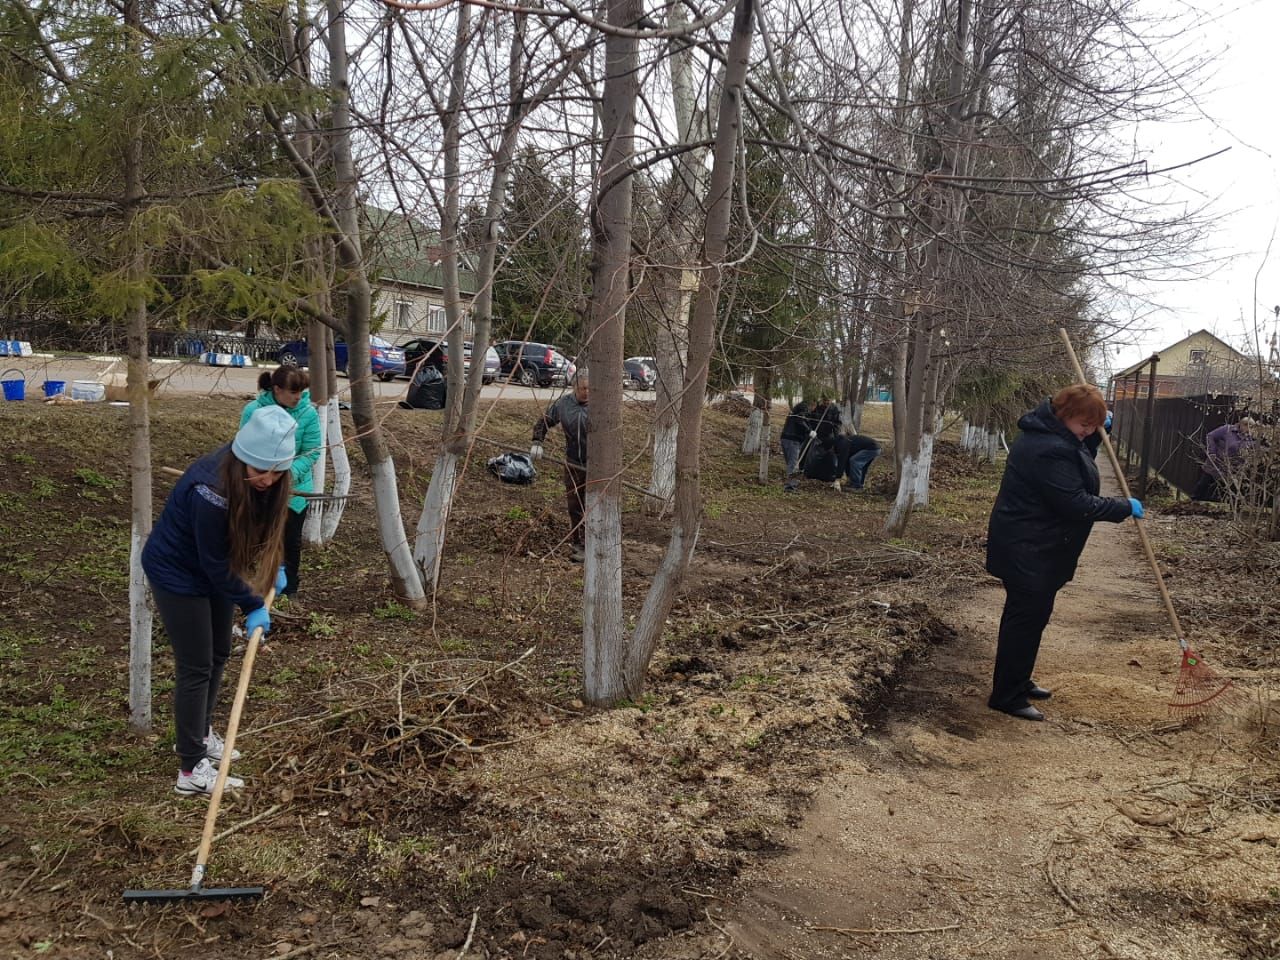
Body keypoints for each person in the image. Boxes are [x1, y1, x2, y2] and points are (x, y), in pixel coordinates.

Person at [142, 406, 296, 795]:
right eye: (262, 470)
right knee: (195, 665)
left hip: (212, 570)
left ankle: (199, 732)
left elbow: (260, 528)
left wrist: (272, 563)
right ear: (243, 456)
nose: (268, 480)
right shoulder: (211, 491)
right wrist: (252, 602)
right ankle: (191, 770)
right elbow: (213, 565)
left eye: (277, 472)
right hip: (177, 573)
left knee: (219, 653)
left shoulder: (261, 479)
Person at [984, 384, 1141, 721]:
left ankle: (1018, 681)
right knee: (1024, 621)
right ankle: (1006, 696)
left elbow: (1076, 461)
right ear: (1063, 415)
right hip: (1028, 548)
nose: (1087, 432)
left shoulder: (1057, 438)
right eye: (1084, 425)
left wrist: (1095, 437)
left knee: (1031, 619)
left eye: (1094, 425)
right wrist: (1122, 507)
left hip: (1037, 547)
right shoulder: (1046, 448)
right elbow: (1073, 502)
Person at [240, 365, 322, 598]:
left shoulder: (308, 413)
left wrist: (285, 476)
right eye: (293, 392)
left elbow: (312, 451)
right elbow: (243, 448)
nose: (298, 397)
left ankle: (289, 592)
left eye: (301, 392)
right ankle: (250, 587)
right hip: (257, 487)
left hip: (294, 490)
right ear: (276, 389)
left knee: (289, 541)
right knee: (256, 537)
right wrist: (262, 477)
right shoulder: (254, 410)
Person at [531, 370, 590, 562]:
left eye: (590, 388)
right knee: (575, 504)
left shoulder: (601, 405)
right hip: (573, 461)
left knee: (592, 503)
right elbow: (544, 421)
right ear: (574, 387)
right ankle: (578, 543)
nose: (587, 392)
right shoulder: (564, 404)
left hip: (595, 464)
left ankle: (595, 542)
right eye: (583, 388)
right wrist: (537, 442)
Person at [1192, 417, 1255, 502]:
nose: (1249, 430)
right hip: (1216, 461)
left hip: (1232, 468)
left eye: (1251, 427)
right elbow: (1211, 436)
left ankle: (1228, 508)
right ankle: (1194, 501)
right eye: (1248, 427)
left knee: (1228, 490)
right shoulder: (1227, 429)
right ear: (1241, 425)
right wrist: (1212, 451)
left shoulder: (1250, 438)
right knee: (1204, 483)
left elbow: (1250, 452)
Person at [779, 399, 813, 492]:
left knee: (791, 463)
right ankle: (790, 486)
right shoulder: (802, 411)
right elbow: (800, 421)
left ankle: (791, 483)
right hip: (792, 440)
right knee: (793, 464)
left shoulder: (794, 412)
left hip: (785, 438)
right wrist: (809, 431)